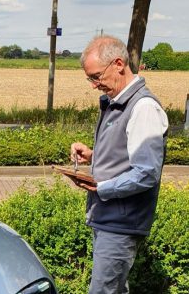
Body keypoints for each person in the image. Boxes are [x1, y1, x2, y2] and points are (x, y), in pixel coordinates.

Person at [71, 35, 168, 294]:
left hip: (121, 223)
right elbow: (127, 155)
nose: (94, 85)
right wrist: (93, 155)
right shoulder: (117, 104)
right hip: (109, 219)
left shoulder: (143, 107)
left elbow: (147, 172)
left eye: (96, 76)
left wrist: (103, 187)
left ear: (118, 64)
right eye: (89, 78)